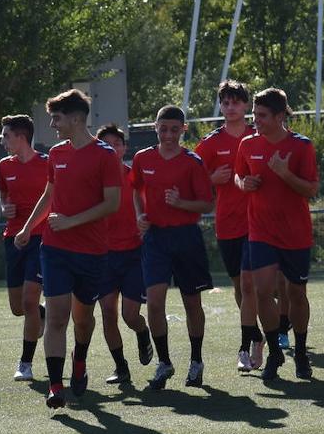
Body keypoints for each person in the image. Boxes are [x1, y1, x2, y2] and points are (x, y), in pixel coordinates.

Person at [17, 89, 122, 409]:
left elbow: (112, 204)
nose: (52, 124)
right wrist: (28, 227)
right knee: (57, 316)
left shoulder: (105, 155)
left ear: (77, 118)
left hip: (91, 252)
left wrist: (73, 221)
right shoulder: (57, 154)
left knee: (83, 320)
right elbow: (49, 195)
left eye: (57, 118)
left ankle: (81, 361)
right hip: (55, 248)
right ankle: (55, 385)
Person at [234, 88, 320, 381]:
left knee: (296, 294)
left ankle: (301, 351)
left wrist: (285, 173)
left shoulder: (302, 146)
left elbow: (311, 189)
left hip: (295, 232)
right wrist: (243, 183)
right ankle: (274, 351)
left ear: (280, 116)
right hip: (261, 230)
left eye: (262, 115)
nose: (255, 120)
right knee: (261, 291)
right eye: (254, 115)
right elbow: (238, 175)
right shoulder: (247, 145)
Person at [132, 105, 215, 390]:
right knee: (154, 304)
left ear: (183, 130)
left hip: (186, 238)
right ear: (154, 127)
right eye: (163, 128)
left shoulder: (192, 162)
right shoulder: (143, 158)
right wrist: (140, 215)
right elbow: (135, 189)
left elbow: (206, 204)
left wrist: (181, 204)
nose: (168, 134)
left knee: (192, 303)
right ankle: (164, 362)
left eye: (174, 129)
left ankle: (196, 360)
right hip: (155, 239)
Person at [194, 80, 263, 372]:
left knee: (249, 285)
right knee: (240, 287)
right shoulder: (210, 143)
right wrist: (211, 180)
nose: (231, 107)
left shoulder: (260, 135)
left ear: (246, 105)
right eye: (226, 102)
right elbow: (191, 180)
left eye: (236, 101)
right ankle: (259, 335)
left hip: (259, 222)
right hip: (227, 223)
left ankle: (245, 348)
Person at [94, 124, 153, 384]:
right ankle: (121, 367)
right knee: (108, 313)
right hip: (103, 257)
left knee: (130, 315)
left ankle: (143, 333)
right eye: (106, 144)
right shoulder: (92, 182)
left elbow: (148, 209)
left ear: (124, 147)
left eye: (117, 144)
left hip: (132, 255)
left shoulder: (134, 178)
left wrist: (146, 223)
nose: (112, 149)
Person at [0, 114, 49, 381]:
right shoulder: (4, 166)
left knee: (29, 300)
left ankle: (25, 364)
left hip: (40, 238)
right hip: (13, 239)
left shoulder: (47, 164)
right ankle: (43, 313)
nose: (3, 140)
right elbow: (3, 196)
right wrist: (3, 206)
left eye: (6, 135)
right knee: (18, 308)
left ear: (21, 137)